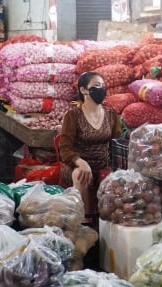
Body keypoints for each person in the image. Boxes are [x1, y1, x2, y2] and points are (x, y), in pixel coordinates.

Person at [59, 71, 122, 219]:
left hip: (103, 162)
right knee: (80, 175)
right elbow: (65, 148)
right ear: (83, 90)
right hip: (77, 163)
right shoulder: (73, 116)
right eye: (96, 86)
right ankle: (85, 219)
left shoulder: (111, 114)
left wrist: (116, 166)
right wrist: (81, 162)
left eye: (103, 86)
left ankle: (106, 221)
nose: (101, 89)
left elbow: (116, 143)